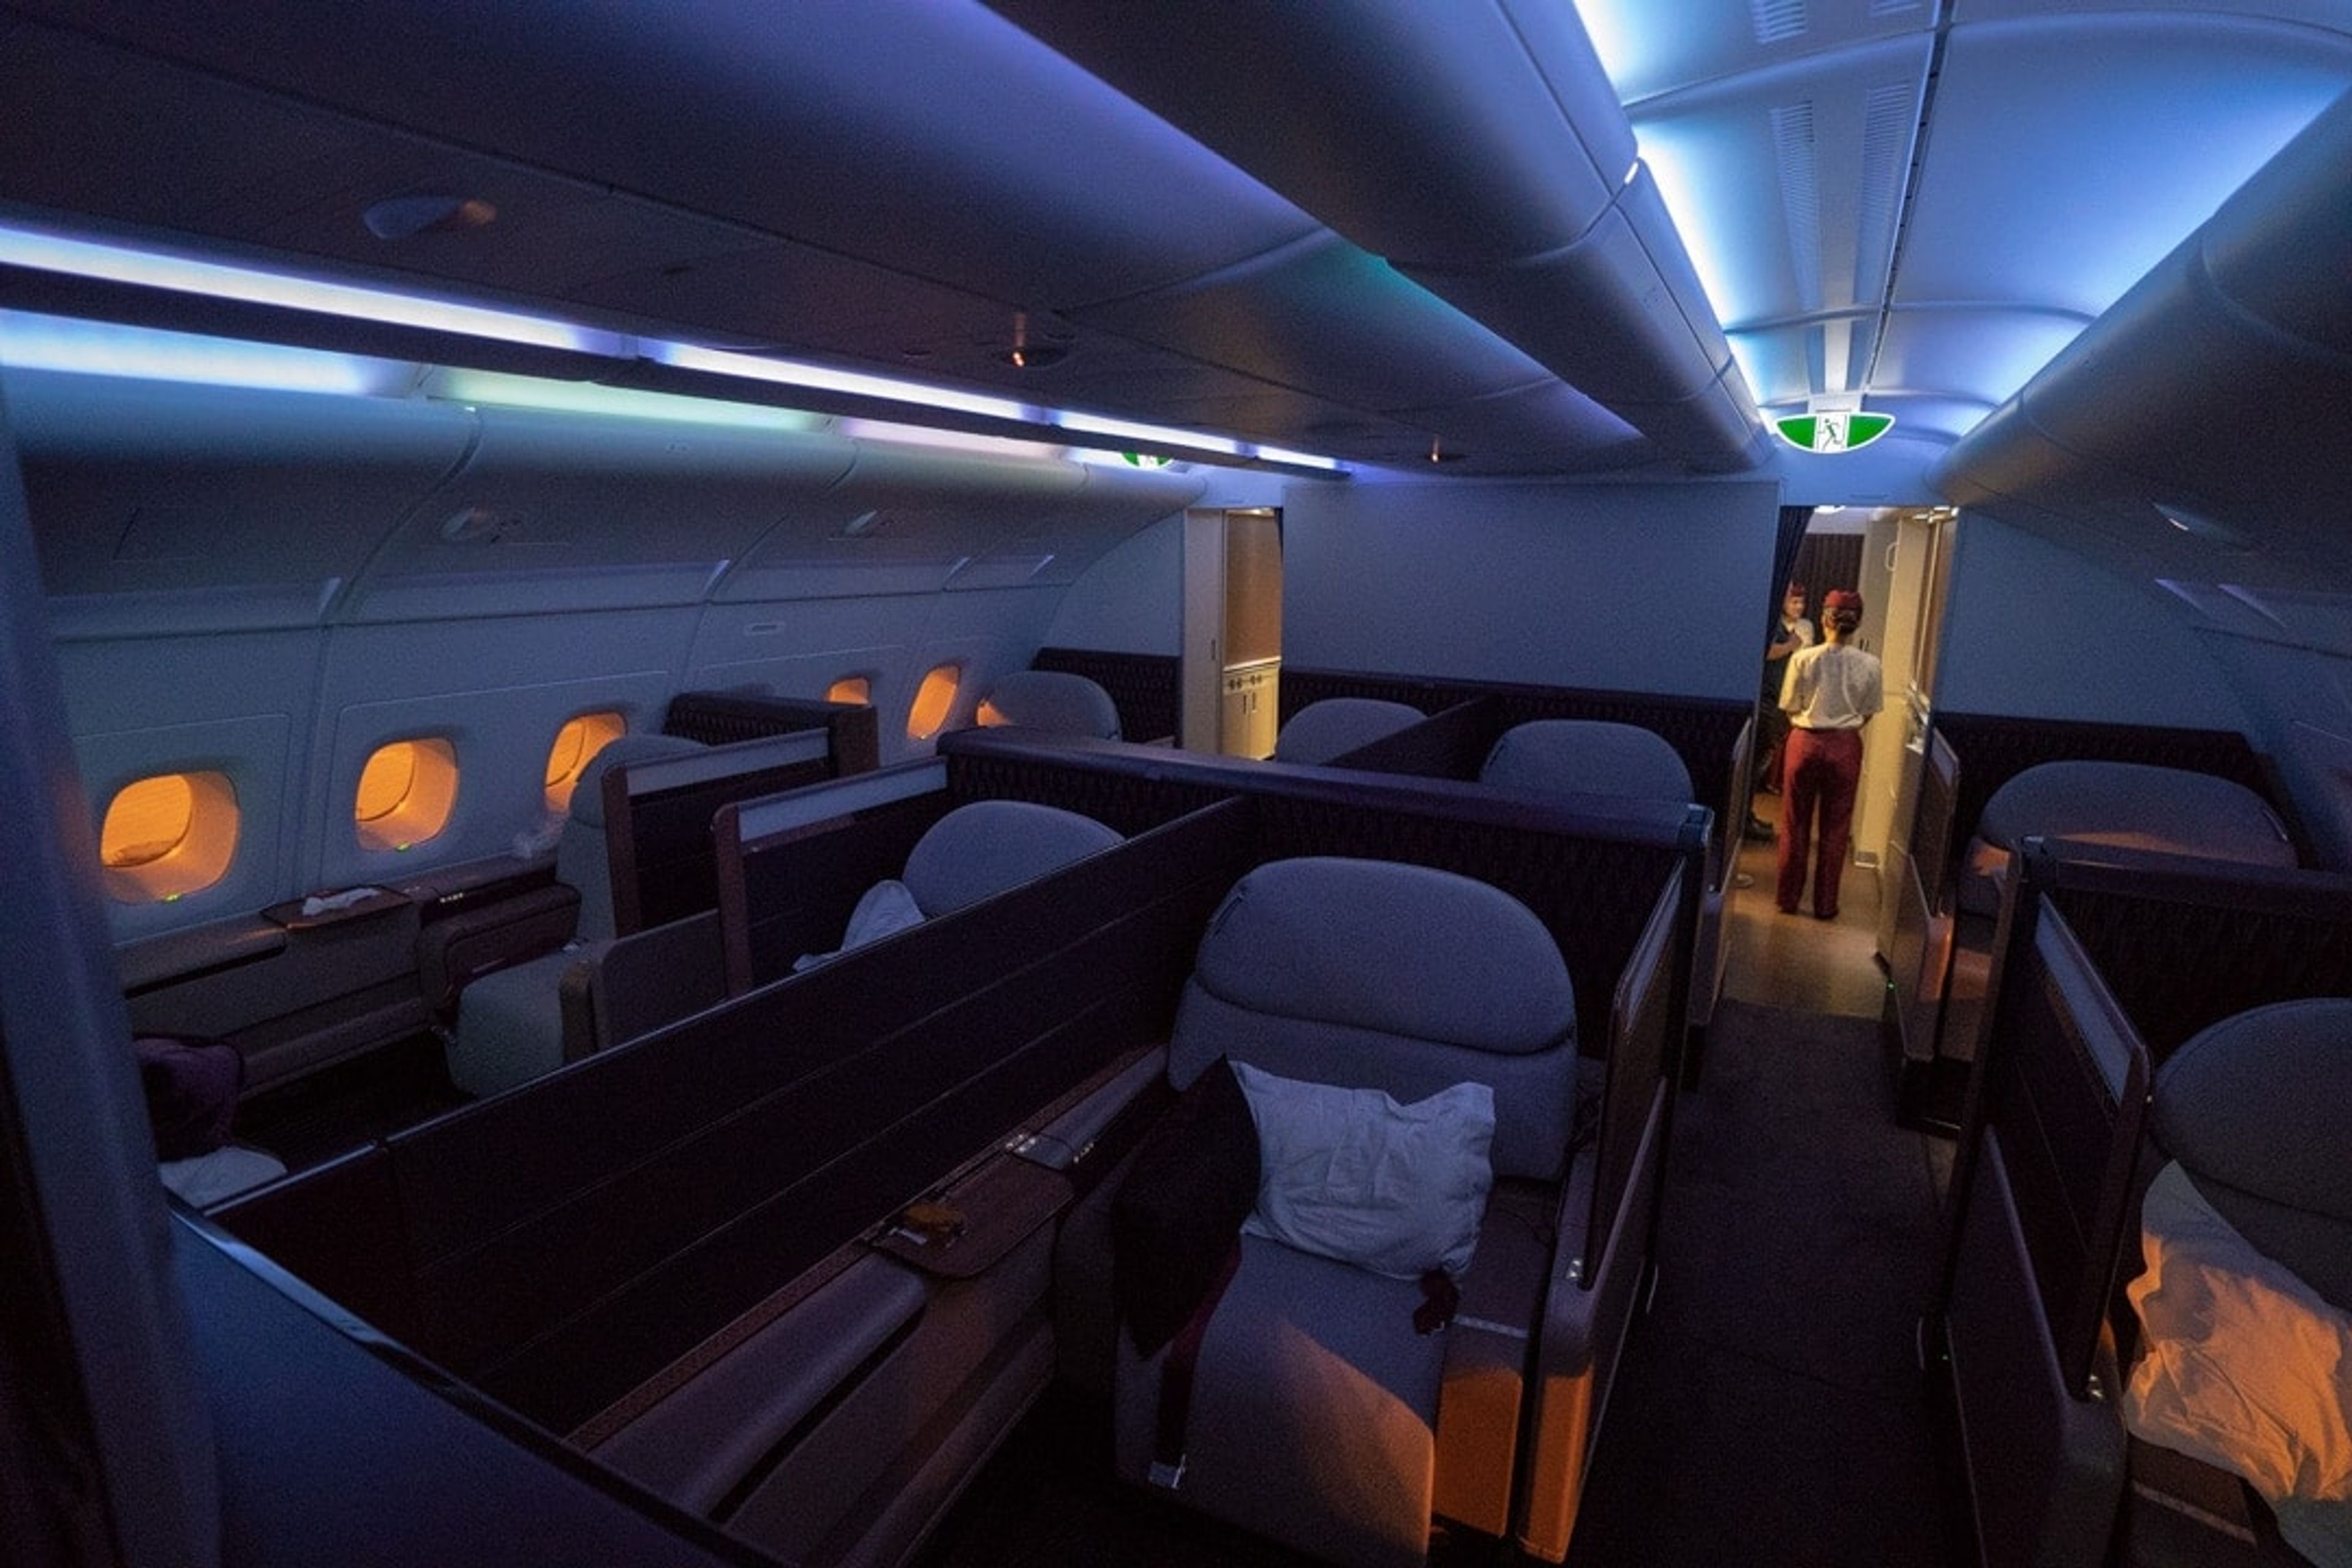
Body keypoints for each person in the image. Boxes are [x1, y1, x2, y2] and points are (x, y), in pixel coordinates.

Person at [1775, 587, 1882, 919]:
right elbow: (1868, 712)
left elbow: (1789, 706)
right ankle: (1825, 905)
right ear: (1857, 624)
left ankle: (1788, 899)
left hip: (1804, 742)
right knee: (1836, 829)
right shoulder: (1871, 665)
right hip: (1845, 745)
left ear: (1824, 620)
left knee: (1794, 823)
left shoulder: (1802, 658)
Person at [1745, 583, 1814, 840]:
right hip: (1766, 700)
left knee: (1761, 761)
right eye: (1789, 595)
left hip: (1776, 701)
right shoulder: (1772, 623)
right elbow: (1765, 652)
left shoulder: (1790, 626)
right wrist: (1791, 645)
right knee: (1756, 763)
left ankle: (1747, 815)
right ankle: (1744, 820)